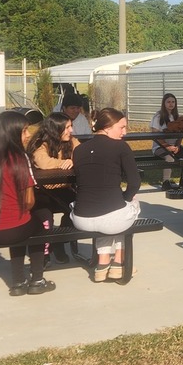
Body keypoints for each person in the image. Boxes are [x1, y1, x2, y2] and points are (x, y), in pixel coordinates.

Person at [0, 111, 56, 297]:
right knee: (38, 219)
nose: (29, 134)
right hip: (10, 230)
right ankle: (37, 280)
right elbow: (29, 201)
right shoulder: (19, 158)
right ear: (11, 133)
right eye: (24, 131)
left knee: (21, 221)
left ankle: (18, 281)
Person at [71, 108, 141, 283]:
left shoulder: (79, 150)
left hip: (81, 218)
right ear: (108, 127)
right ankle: (118, 262)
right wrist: (125, 198)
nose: (124, 132)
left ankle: (102, 264)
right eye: (122, 127)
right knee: (129, 205)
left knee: (110, 214)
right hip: (111, 218)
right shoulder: (120, 147)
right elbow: (134, 183)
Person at [27, 111, 81, 264]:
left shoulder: (72, 141)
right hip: (41, 191)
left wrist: (73, 161)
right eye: (67, 127)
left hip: (64, 189)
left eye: (71, 126)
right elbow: (42, 162)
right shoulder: (40, 143)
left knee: (77, 208)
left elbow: (82, 155)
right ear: (55, 129)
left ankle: (59, 242)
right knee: (45, 217)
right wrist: (64, 163)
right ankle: (43, 251)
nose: (71, 130)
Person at [150, 93, 183, 183]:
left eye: (173, 102)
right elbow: (155, 135)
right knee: (169, 157)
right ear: (164, 103)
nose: (171, 104)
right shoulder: (158, 116)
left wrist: (178, 146)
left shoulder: (177, 117)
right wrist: (167, 146)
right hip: (160, 147)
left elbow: (180, 134)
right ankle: (166, 182)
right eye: (168, 102)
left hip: (174, 146)